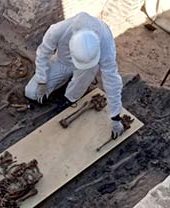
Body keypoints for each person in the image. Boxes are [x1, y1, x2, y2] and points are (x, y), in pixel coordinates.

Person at [25, 12, 125, 140]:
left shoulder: (105, 40)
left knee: (88, 70)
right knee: (31, 93)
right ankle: (64, 80)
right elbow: (43, 54)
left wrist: (116, 117)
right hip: (63, 62)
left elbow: (112, 78)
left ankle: (70, 97)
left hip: (87, 70)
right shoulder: (58, 30)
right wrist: (42, 80)